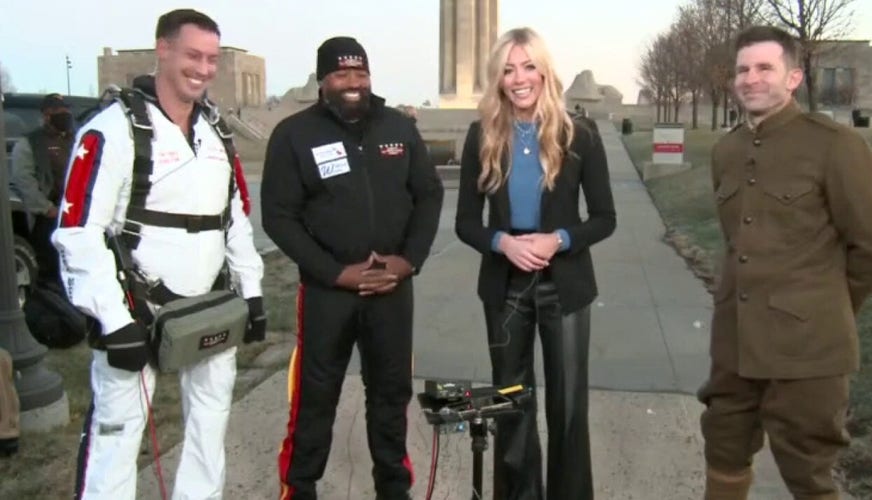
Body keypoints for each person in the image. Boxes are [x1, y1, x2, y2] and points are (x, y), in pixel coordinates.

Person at [53, 9, 266, 499]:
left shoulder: (216, 133)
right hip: (136, 312)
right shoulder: (111, 131)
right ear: (163, 49)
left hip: (209, 307)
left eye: (212, 58)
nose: (205, 68)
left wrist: (251, 294)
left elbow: (233, 220)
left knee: (210, 426)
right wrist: (112, 319)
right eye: (193, 55)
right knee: (117, 433)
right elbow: (77, 233)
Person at [699, 25, 872, 500]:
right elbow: (738, 242)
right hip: (735, 342)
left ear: (793, 78)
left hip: (808, 348)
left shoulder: (836, 146)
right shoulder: (727, 150)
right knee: (723, 447)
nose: (751, 79)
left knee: (808, 471)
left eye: (765, 67)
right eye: (743, 69)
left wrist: (825, 307)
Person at [262, 36, 443, 500]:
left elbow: (428, 195)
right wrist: (334, 272)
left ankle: (393, 488)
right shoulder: (294, 134)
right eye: (342, 75)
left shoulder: (398, 128)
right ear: (323, 80)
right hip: (328, 293)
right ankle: (299, 488)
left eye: (360, 74)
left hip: (391, 290)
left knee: (390, 394)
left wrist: (407, 261)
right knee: (313, 398)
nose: (352, 84)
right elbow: (279, 217)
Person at [454, 27, 616, 500]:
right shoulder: (480, 135)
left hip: (565, 285)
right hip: (505, 288)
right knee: (511, 403)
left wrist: (560, 238)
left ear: (545, 71)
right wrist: (502, 242)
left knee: (567, 408)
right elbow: (466, 222)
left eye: (528, 67)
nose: (519, 78)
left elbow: (605, 218)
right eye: (508, 70)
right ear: (498, 79)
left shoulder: (578, 133)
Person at [9, 93, 75, 285]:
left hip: (76, 212)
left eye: (66, 110)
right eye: (58, 111)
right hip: (50, 216)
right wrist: (46, 208)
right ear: (46, 115)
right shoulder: (30, 143)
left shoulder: (75, 138)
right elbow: (24, 180)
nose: (64, 114)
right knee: (50, 272)